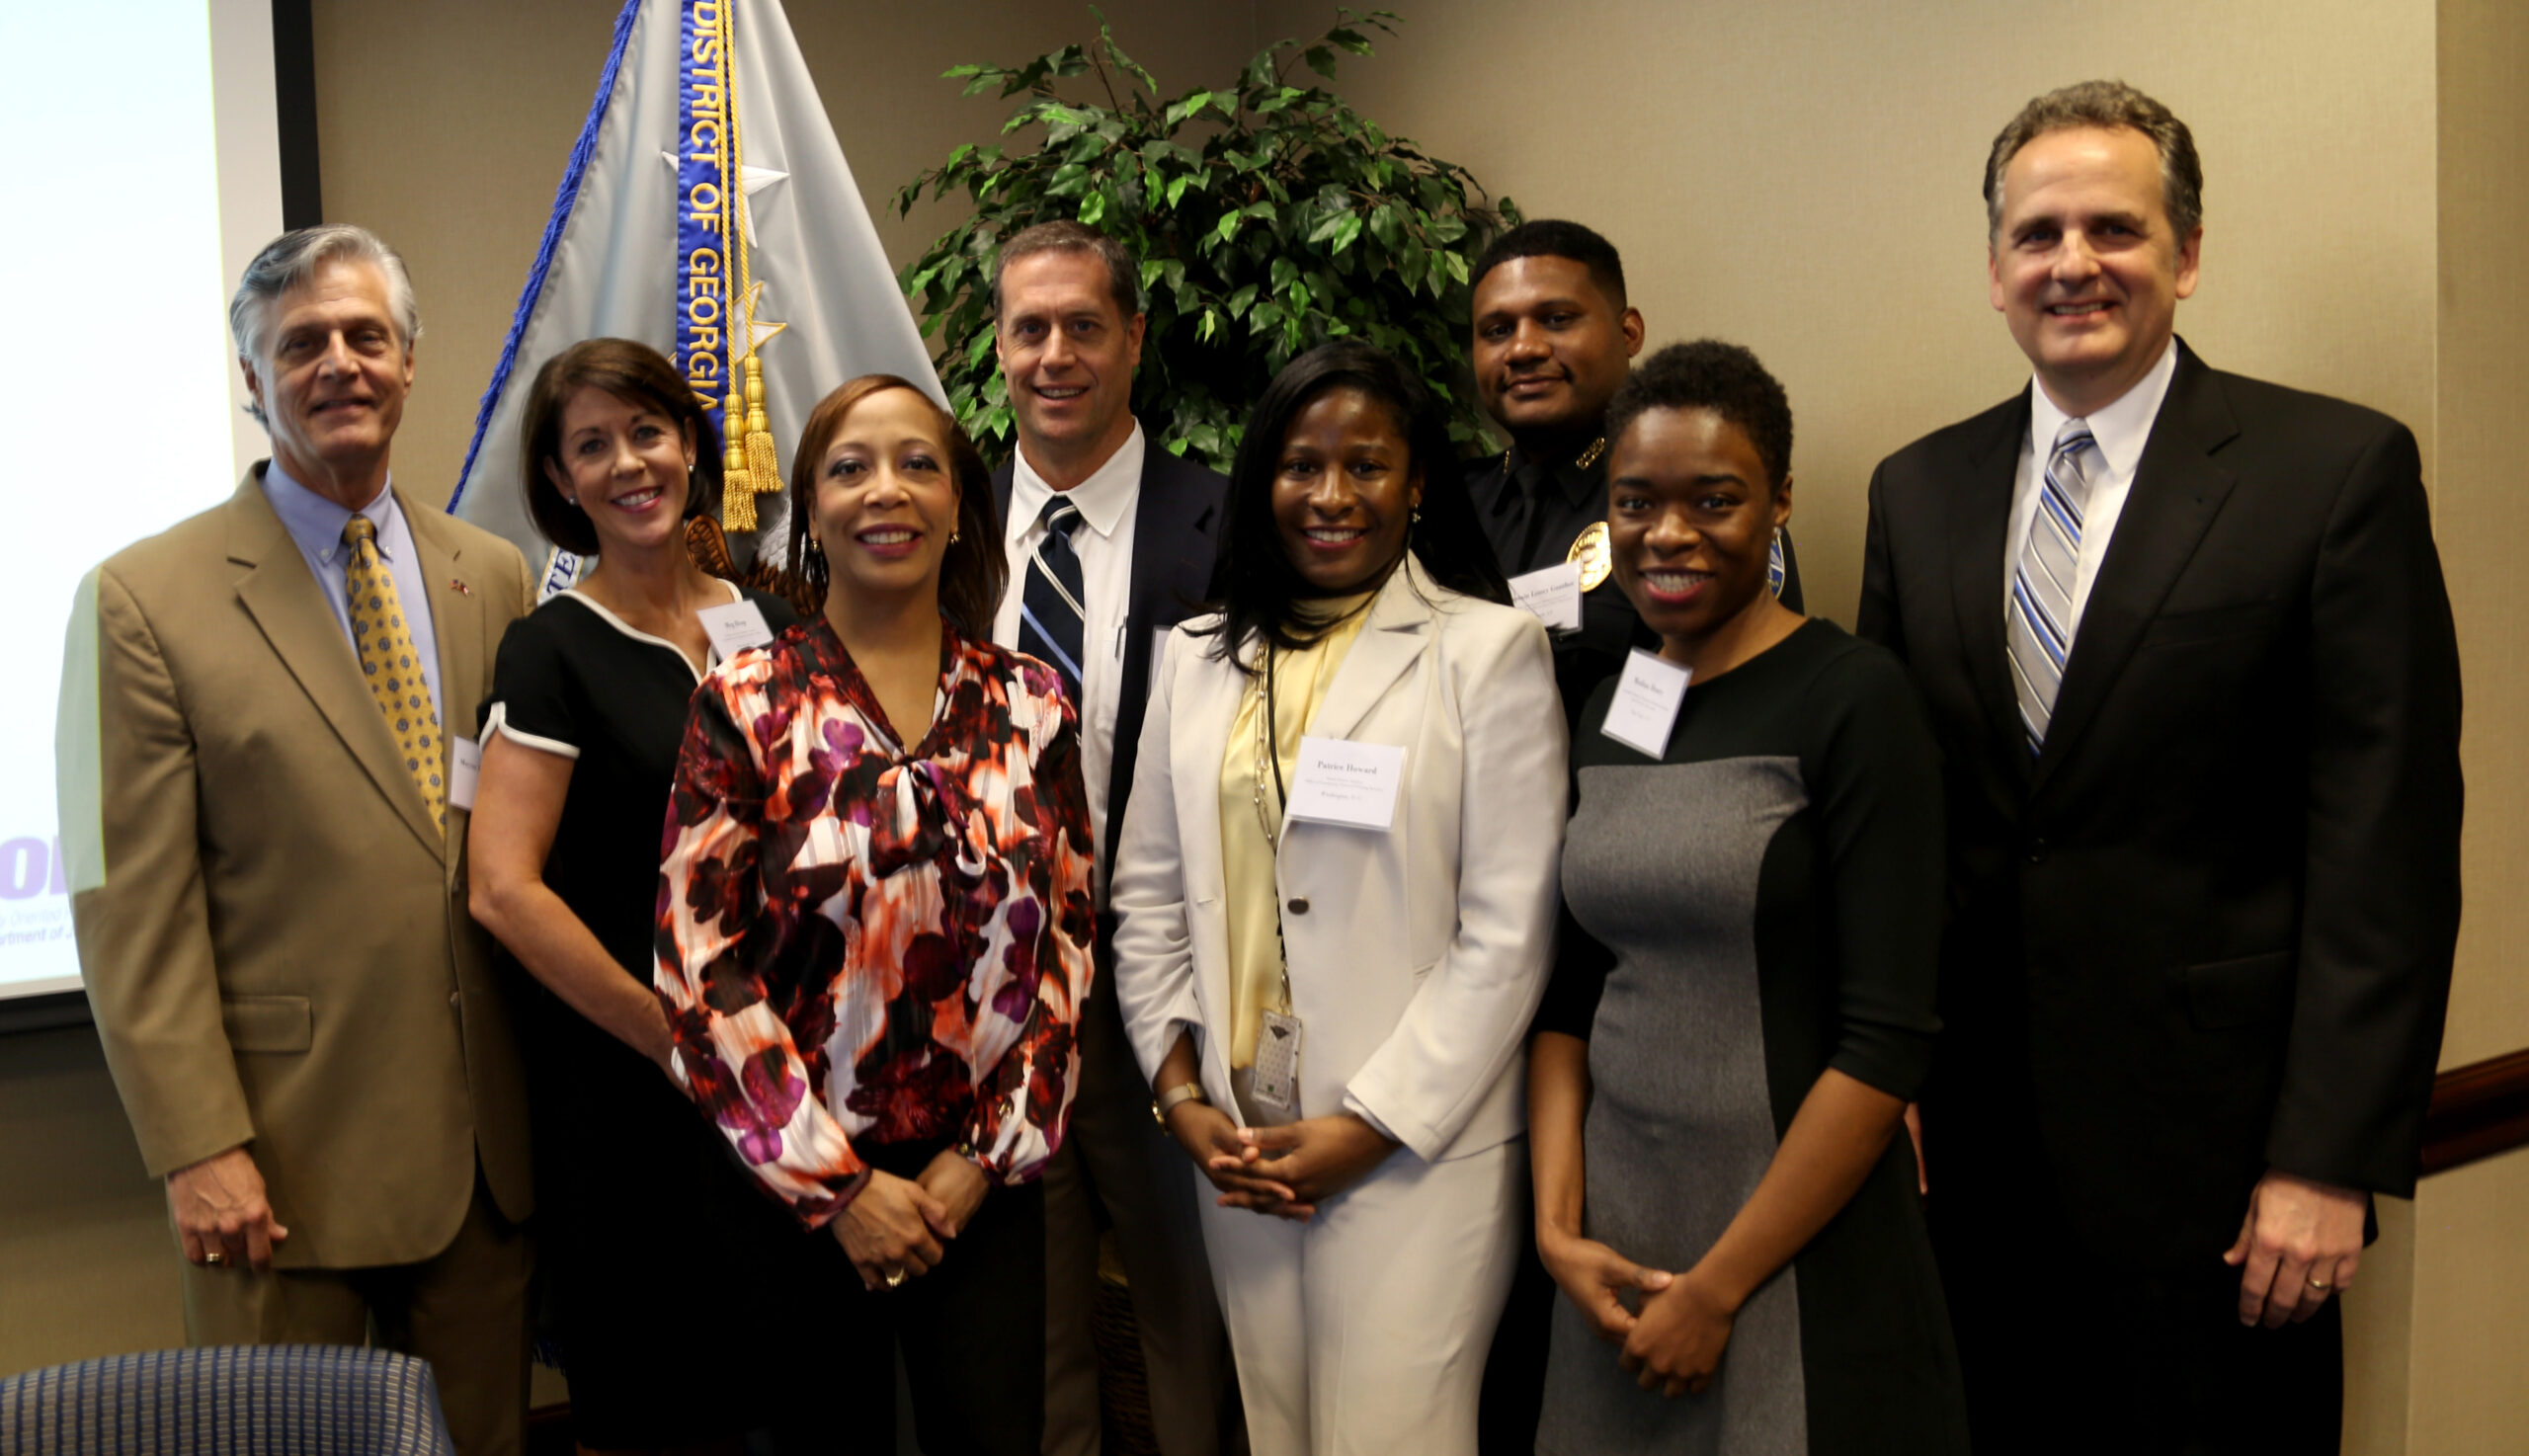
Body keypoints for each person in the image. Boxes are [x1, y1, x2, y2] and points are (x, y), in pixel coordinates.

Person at [1857, 80, 2463, 1452]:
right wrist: (1879, 1076)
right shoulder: (1917, 490)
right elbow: (1903, 827)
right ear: (1996, 272)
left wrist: (2327, 1158)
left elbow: (2388, 842)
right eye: (2039, 233)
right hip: (1973, 1167)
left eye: (2114, 229)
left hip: (2225, 1177)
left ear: (2187, 255)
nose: (2074, 262)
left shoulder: (2333, 471)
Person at [58, 224, 536, 1455]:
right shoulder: (139, 600)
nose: (339, 364)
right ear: (252, 380)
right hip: (277, 1167)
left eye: (364, 336)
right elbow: (128, 909)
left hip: (486, 1166)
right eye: (300, 344)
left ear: (411, 360)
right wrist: (195, 1146)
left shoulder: (493, 575)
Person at [1109, 341, 1568, 1456]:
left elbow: (1506, 934)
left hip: (1417, 1149)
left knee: (1395, 1434)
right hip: (1239, 1135)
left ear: (1416, 485)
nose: (1329, 496)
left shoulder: (1486, 651)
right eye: (1300, 464)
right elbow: (1150, 894)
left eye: (1365, 466)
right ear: (1262, 478)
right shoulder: (1199, 655)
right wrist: (1182, 1098)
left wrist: (1370, 1127)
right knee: (1276, 1428)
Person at [1528, 341, 1967, 1454]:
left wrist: (1716, 1289)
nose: (1667, 533)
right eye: (1636, 503)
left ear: (1779, 503)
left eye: (1712, 500)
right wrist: (1555, 1229)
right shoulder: (1616, 704)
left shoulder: (1852, 697)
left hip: (1788, 1255)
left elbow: (1884, 1045)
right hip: (1614, 1249)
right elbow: (1570, 995)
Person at [654, 374, 1093, 1456]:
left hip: (977, 1190)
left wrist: (980, 1161)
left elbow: (1070, 945)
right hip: (793, 1191)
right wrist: (837, 1189)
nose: (883, 491)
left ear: (958, 505)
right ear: (811, 505)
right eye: (849, 468)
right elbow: (696, 966)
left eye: (917, 463)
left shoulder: (1031, 701)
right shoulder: (744, 701)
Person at [467, 338, 819, 1454]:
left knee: (787, 1391)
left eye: (648, 432)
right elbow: (503, 891)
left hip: (783, 1083)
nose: (629, 462)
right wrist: (672, 1039)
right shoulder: (550, 652)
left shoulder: (767, 626)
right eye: (592, 445)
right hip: (632, 1096)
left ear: (689, 446)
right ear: (561, 481)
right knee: (656, 1402)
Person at [984, 219, 1241, 1456]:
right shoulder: (941, 520)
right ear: (996, 345)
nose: (1054, 354)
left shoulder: (1231, 524)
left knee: (1191, 1308)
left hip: (1166, 985)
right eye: (1028, 327)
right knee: (1034, 1326)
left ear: (1133, 339)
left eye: (1083, 324)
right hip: (992, 997)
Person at [1463, 220, 1804, 728]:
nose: (1523, 348)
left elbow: (1751, 699)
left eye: (1556, 319)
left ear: (1629, 333)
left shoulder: (1698, 503)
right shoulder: (1448, 506)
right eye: (1497, 330)